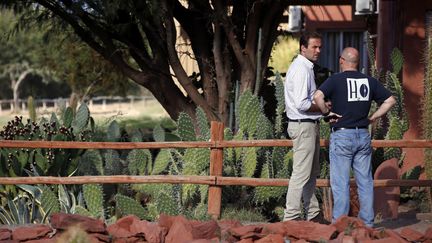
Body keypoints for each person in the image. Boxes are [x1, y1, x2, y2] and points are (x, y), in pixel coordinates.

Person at [313, 47, 396, 227]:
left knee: (340, 183)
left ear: (342, 60)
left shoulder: (335, 80)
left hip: (342, 135)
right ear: (357, 63)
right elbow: (390, 100)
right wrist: (374, 116)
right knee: (365, 182)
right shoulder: (369, 81)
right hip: (363, 135)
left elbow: (318, 96)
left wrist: (327, 112)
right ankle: (367, 225)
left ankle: (340, 225)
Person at [283, 31, 328, 222]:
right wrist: (323, 108)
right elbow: (302, 104)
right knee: (301, 173)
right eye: (314, 47)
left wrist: (323, 110)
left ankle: (313, 214)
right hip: (303, 126)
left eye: (320, 47)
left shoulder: (306, 67)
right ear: (303, 48)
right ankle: (291, 216)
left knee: (310, 173)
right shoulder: (301, 69)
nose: (318, 51)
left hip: (307, 124)